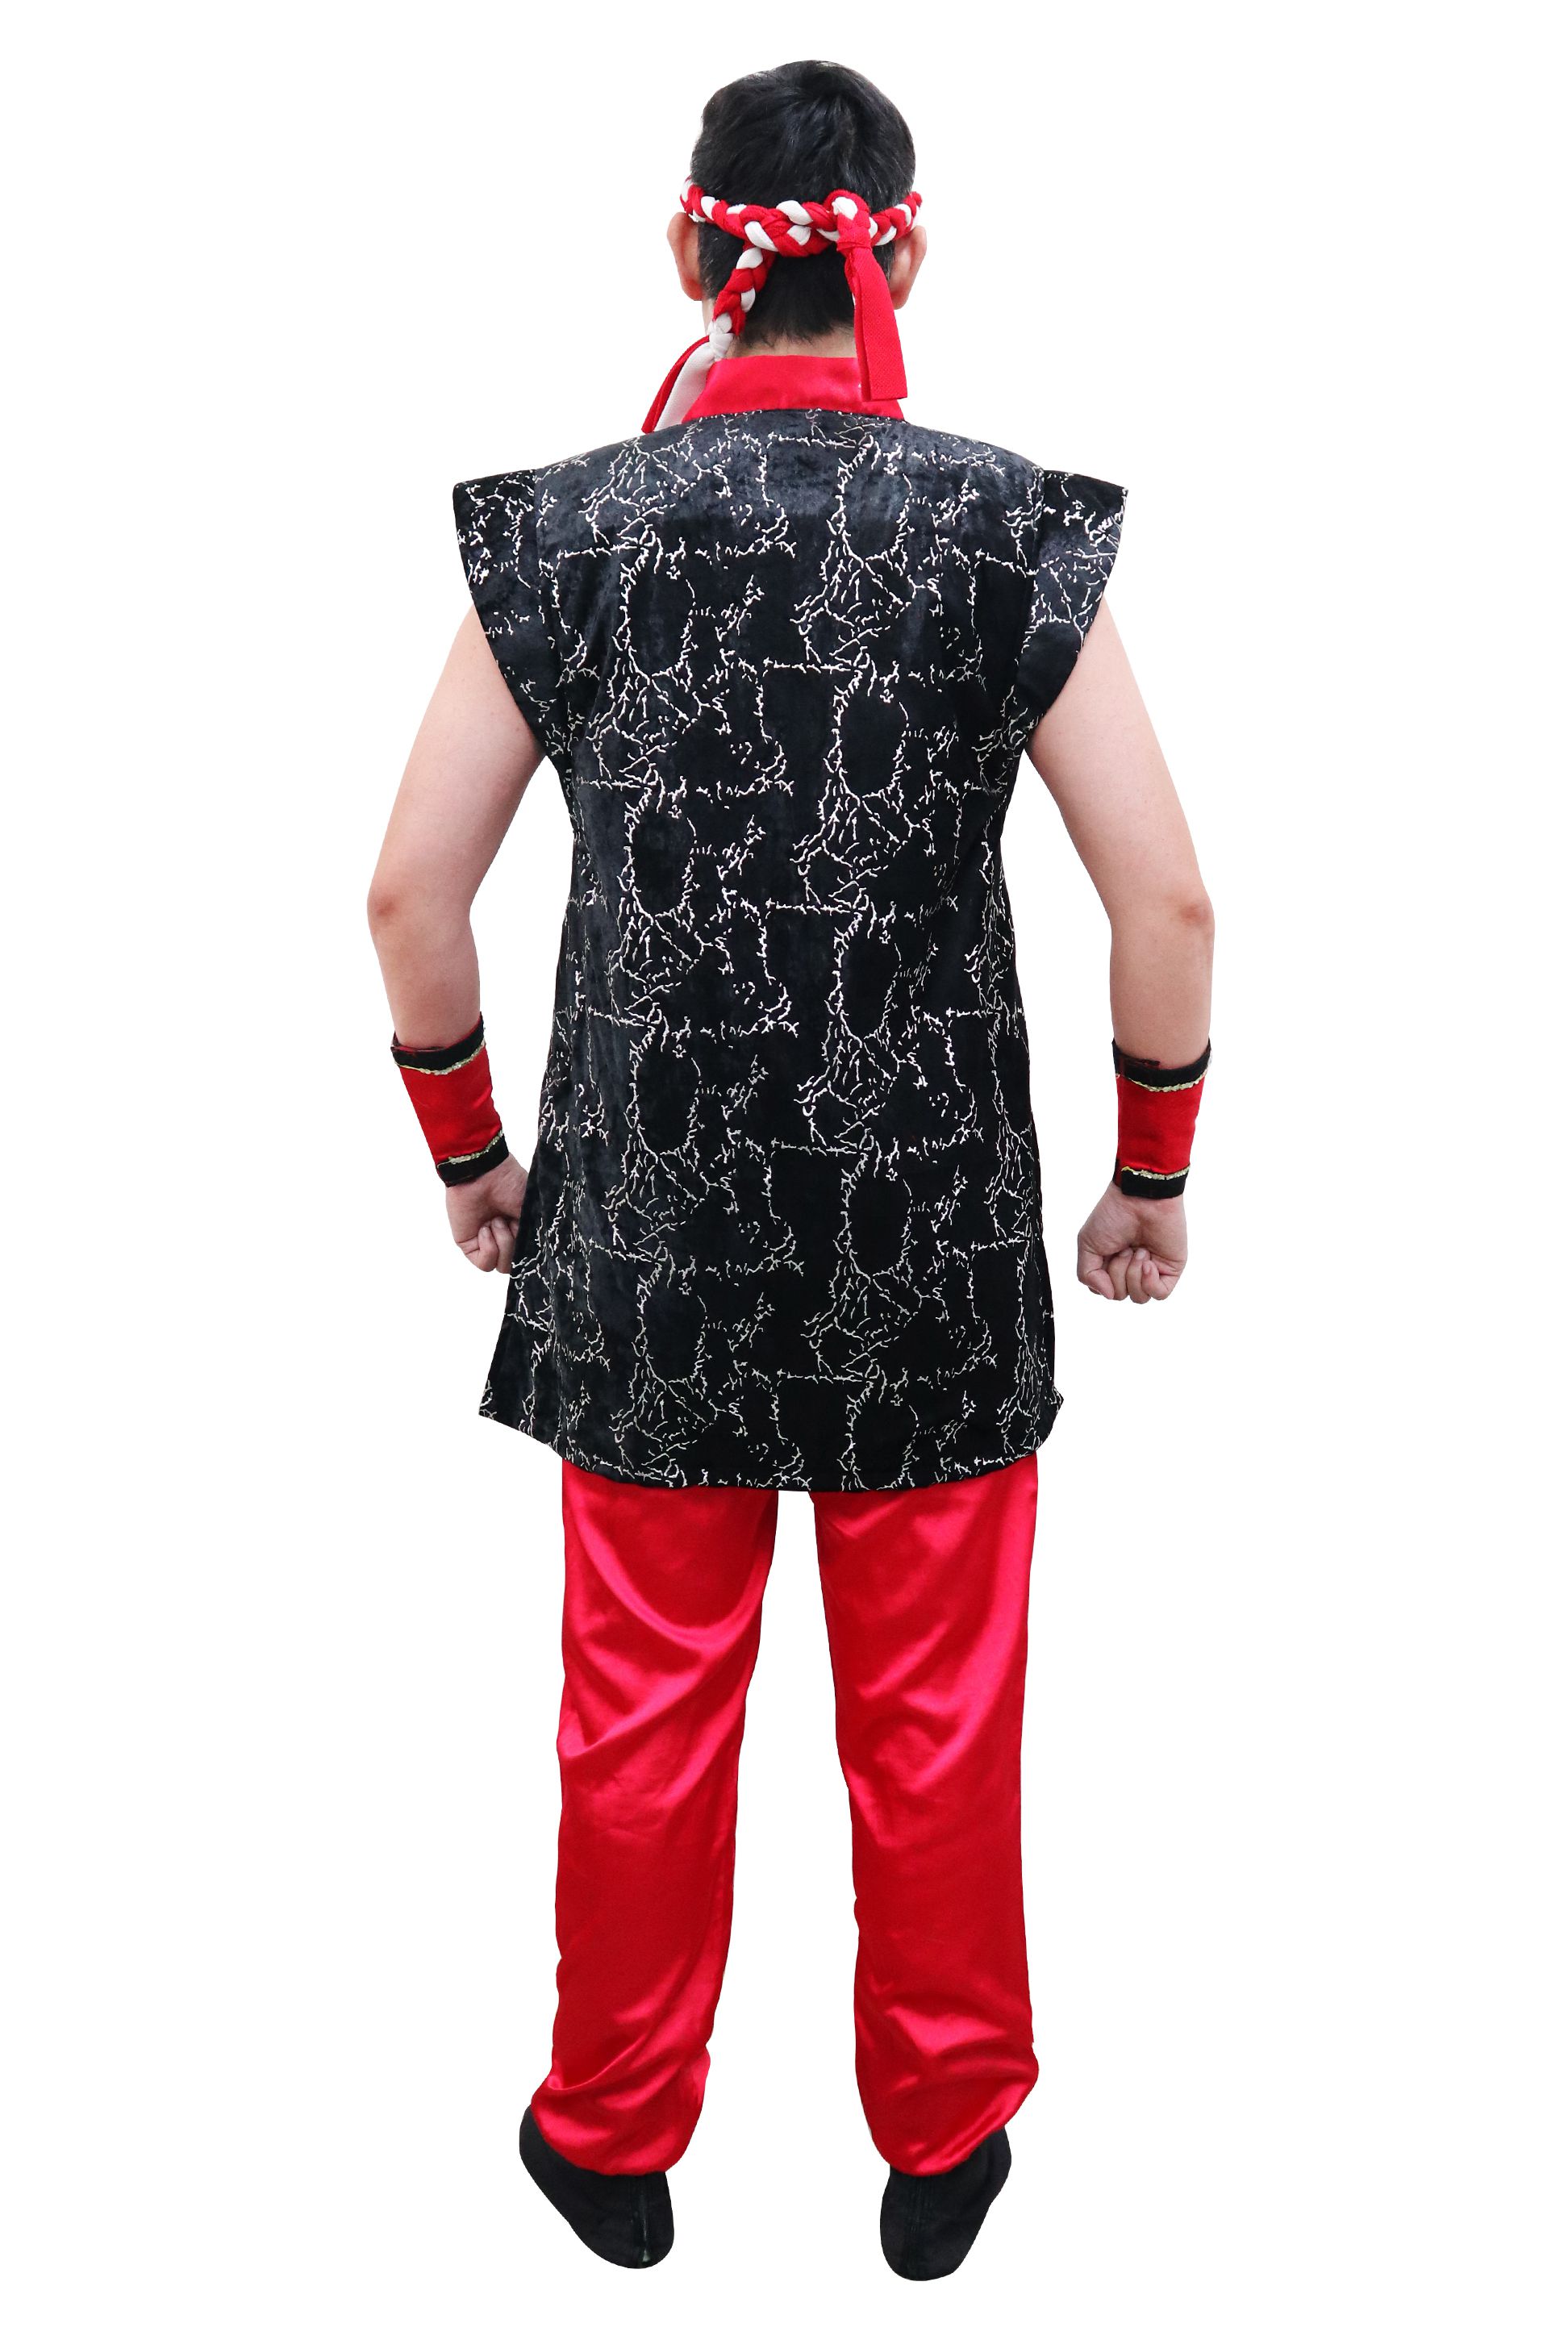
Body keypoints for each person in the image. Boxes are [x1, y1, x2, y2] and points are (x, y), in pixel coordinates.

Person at [368, 58, 1214, 2281]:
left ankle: (608, 2137)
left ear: (691, 252)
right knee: (936, 1722)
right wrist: (1151, 1171)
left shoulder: (569, 535)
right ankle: (943, 2146)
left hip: (644, 1243)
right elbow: (1168, 902)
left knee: (643, 1714)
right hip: (930, 1242)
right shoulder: (1004, 529)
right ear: (903, 251)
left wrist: (472, 1148)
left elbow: (407, 895)